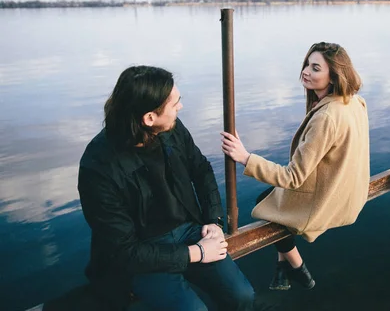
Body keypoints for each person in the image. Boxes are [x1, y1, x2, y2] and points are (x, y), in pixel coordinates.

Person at [78, 65, 254, 311]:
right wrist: (196, 254)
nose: (180, 107)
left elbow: (201, 169)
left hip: (191, 230)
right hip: (144, 252)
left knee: (243, 295)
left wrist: (213, 220)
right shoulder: (98, 166)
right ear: (149, 118)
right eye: (174, 104)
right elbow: (123, 251)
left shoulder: (171, 128)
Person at [221, 42, 370, 291]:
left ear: (333, 76)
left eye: (315, 68)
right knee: (272, 200)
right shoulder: (354, 102)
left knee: (266, 205)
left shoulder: (326, 117)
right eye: (306, 65)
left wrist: (245, 157)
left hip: (329, 201)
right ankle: (283, 269)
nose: (305, 72)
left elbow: (292, 177)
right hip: (352, 193)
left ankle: (298, 267)